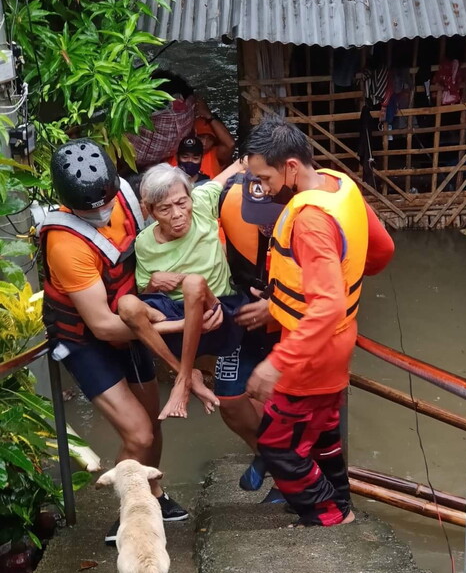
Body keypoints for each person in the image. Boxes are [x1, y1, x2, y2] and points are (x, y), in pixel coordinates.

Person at [244, 117, 395, 527]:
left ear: (291, 167)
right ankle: (341, 501)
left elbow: (324, 306)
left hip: (310, 356)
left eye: (265, 177)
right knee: (324, 431)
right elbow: (382, 250)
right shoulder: (338, 184)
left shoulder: (310, 221)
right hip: (339, 342)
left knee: (277, 445)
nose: (264, 188)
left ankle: (330, 514)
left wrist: (276, 362)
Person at [40, 139, 189, 545]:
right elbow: (103, 326)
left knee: (152, 426)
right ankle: (128, 519)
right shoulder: (66, 243)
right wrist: (175, 325)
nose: (100, 213)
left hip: (132, 315)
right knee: (137, 435)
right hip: (86, 338)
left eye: (103, 203)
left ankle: (154, 497)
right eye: (89, 210)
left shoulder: (125, 193)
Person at [117, 161, 249, 421]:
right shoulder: (145, 243)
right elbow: (145, 289)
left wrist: (251, 157)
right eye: (165, 209)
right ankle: (186, 374)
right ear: (150, 211)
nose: (177, 214)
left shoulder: (199, 203)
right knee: (126, 305)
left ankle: (182, 381)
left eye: (181, 203)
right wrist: (155, 281)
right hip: (178, 318)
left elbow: (232, 170)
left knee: (193, 282)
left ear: (189, 197)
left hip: (216, 309)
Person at [215, 171, 285, 501]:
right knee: (228, 399)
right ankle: (273, 457)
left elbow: (332, 284)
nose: (264, 223)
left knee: (289, 406)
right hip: (242, 314)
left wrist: (276, 307)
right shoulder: (225, 198)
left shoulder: (310, 212)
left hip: (289, 324)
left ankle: (289, 479)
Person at [193, 98, 235, 177]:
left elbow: (230, 144)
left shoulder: (217, 153)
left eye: (210, 138)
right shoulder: (180, 153)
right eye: (201, 137)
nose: (205, 143)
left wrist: (209, 116)